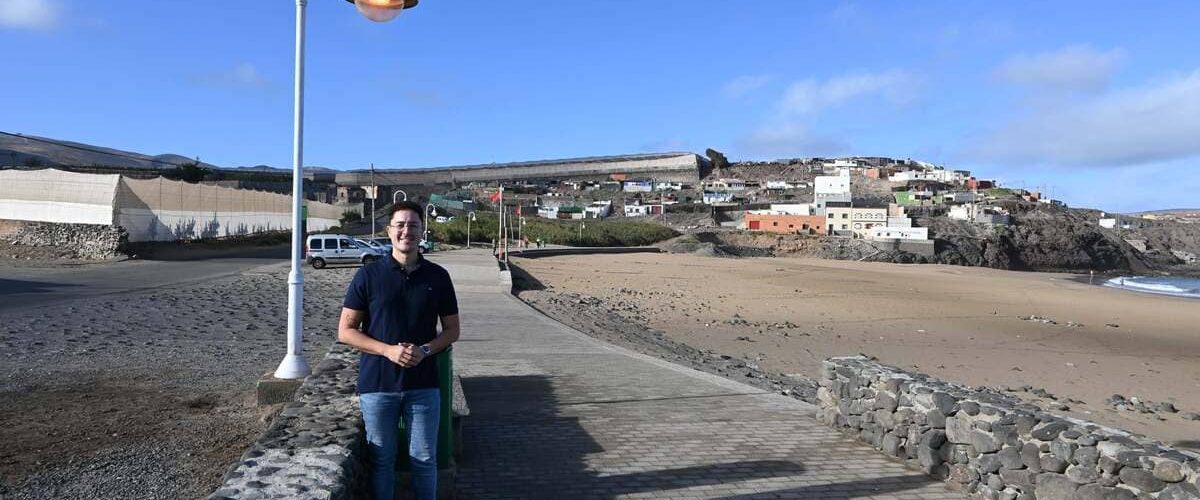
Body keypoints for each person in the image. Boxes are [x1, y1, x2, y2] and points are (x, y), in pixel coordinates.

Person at [338, 201, 461, 500]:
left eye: (413, 225)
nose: (407, 231)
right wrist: (388, 351)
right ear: (389, 230)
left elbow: (452, 330)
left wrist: (425, 349)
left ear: (422, 231)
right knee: (382, 461)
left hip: (424, 386)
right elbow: (346, 331)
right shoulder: (368, 276)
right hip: (378, 385)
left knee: (425, 459)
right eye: (401, 225)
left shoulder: (438, 277)